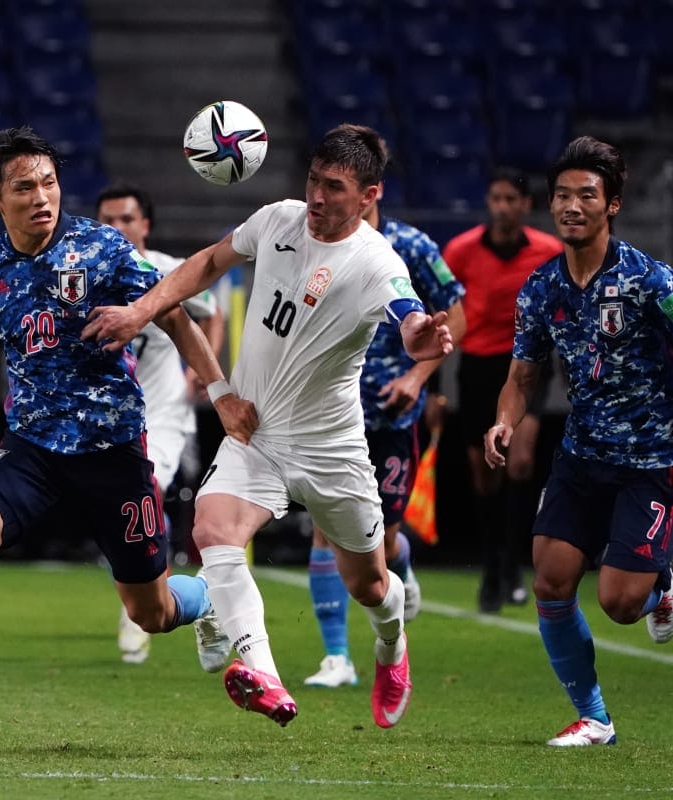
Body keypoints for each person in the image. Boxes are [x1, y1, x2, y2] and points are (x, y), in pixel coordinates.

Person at [0, 126, 254, 744]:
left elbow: (174, 314)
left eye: (49, 182)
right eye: (24, 186)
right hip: (30, 449)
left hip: (112, 453)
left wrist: (221, 393)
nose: (42, 196)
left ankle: (204, 598)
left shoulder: (101, 249)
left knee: (149, 613)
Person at [81, 123, 454, 729]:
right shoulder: (278, 219)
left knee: (370, 584)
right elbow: (205, 263)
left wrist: (419, 338)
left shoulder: (375, 262)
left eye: (335, 187)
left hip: (331, 449)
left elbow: (408, 316)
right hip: (258, 434)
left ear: (368, 195)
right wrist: (140, 310)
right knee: (213, 529)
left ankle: (392, 647)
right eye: (313, 180)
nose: (318, 197)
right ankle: (266, 676)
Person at [484, 135, 673, 746]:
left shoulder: (649, 281)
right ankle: (595, 718)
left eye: (585, 195)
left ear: (611, 204)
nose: (571, 205)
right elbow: (523, 374)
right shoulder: (540, 288)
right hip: (581, 456)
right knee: (551, 579)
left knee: (620, 602)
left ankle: (661, 587)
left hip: (652, 460)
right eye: (562, 195)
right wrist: (505, 421)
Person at [304, 181, 466, 688]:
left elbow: (457, 313)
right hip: (331, 416)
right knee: (326, 529)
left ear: (370, 192)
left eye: (341, 186)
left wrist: (417, 379)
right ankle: (337, 658)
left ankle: (403, 561)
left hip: (391, 417)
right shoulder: (316, 244)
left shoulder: (412, 247)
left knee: (383, 540)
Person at [96, 182, 226, 665]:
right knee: (113, 507)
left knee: (148, 489)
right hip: (106, 415)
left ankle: (141, 612)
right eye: (107, 220)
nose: (116, 228)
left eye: (126, 219)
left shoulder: (169, 271)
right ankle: (177, 597)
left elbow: (211, 314)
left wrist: (200, 370)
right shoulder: (86, 273)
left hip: (163, 411)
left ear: (145, 224)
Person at [442, 167, 563, 613]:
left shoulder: (548, 252)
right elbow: (445, 310)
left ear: (525, 205)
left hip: (530, 364)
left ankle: (513, 568)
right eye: (496, 198)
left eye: (512, 199)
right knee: (484, 472)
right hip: (477, 368)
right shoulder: (462, 250)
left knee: (522, 463)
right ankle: (491, 567)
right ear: (488, 202)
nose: (503, 207)